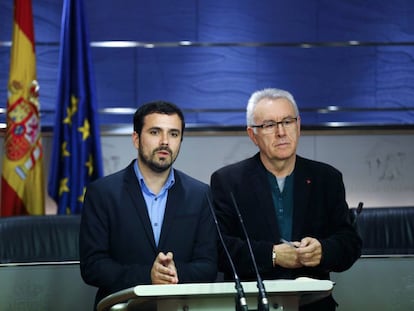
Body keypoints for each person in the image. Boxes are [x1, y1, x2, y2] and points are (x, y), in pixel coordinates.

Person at [210, 88, 361, 310]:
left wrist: (323, 250)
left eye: (288, 122)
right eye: (269, 125)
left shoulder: (326, 178)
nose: (281, 132)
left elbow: (350, 242)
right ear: (253, 135)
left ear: (298, 126)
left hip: (313, 304)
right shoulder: (228, 181)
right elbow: (219, 249)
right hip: (253, 303)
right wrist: (272, 255)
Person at [79, 100, 217, 308]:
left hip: (180, 306)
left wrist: (172, 273)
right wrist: (147, 276)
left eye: (173, 134)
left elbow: (208, 266)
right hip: (124, 307)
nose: (165, 142)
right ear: (136, 139)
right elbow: (93, 266)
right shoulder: (102, 193)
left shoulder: (200, 194)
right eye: (155, 132)